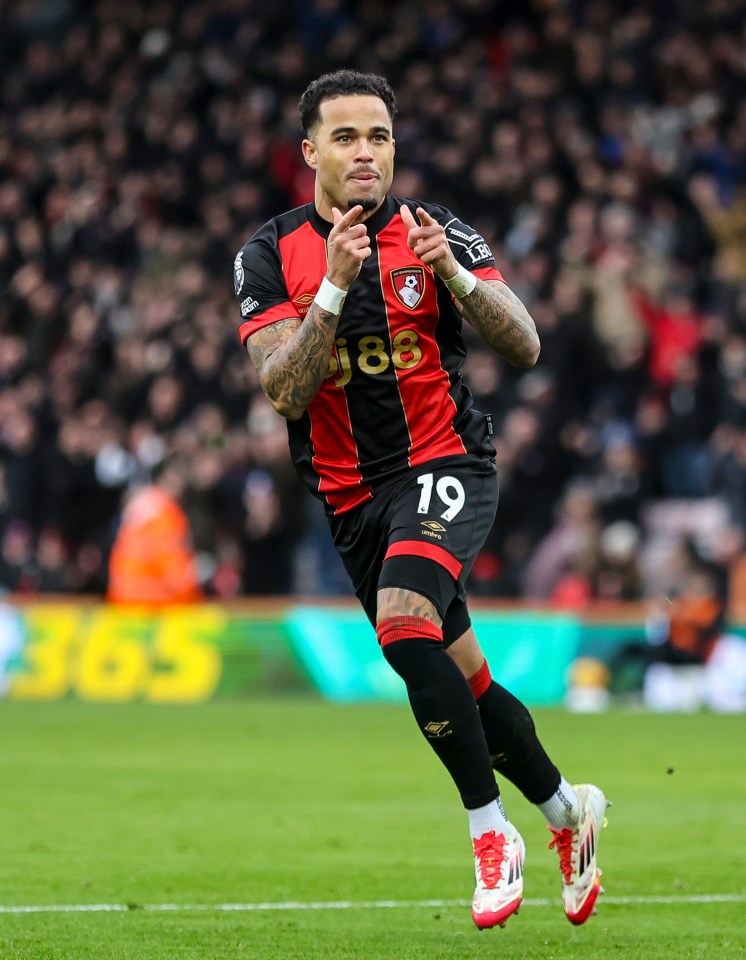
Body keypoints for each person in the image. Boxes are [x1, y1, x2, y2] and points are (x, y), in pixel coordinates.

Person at [233, 69, 609, 930]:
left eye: (378, 137)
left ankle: (490, 833)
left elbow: (526, 344)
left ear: (393, 148)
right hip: (348, 498)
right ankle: (566, 814)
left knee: (405, 621)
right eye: (345, 137)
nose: (365, 153)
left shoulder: (435, 233)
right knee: (464, 677)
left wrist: (460, 280)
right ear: (309, 153)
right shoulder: (268, 254)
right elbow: (285, 392)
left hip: (446, 461)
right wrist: (330, 287)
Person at [107, 456, 204, 605]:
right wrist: (194, 595)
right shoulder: (166, 514)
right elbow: (172, 565)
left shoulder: (140, 503)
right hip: (154, 600)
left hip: (123, 596)